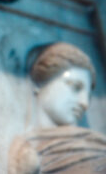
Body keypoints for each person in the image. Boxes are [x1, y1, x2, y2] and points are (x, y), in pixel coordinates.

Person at [8, 42, 106, 174]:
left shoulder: (97, 147)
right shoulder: (23, 148)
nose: (84, 103)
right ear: (39, 82)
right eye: (75, 87)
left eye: (88, 96)